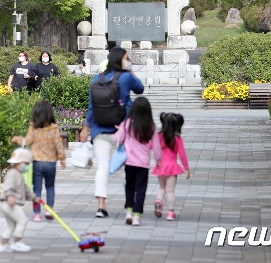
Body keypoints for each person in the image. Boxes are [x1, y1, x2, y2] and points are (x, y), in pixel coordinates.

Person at [79, 47, 144, 218]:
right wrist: (130, 70)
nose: (128, 59)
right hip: (125, 128)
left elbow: (91, 107)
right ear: (121, 60)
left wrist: (86, 128)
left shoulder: (96, 78)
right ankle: (131, 206)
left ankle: (101, 206)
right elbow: (140, 89)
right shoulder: (126, 77)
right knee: (131, 167)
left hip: (100, 128)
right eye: (127, 57)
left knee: (102, 166)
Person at [11, 101, 66, 222]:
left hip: (37, 162)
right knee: (50, 186)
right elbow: (58, 144)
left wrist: (17, 139)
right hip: (51, 162)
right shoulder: (54, 128)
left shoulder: (34, 127)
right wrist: (62, 158)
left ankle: (37, 214)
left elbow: (27, 141)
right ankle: (49, 210)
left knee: (37, 189)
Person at [113, 97, 162, 226]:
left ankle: (128, 211)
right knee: (141, 189)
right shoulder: (151, 126)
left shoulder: (127, 123)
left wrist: (119, 130)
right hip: (143, 164)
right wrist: (158, 160)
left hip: (129, 162)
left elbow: (117, 138)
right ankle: (136, 216)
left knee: (129, 186)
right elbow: (156, 145)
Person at [0, 148, 43, 253]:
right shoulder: (12, 173)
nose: (27, 166)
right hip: (10, 204)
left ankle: (3, 245)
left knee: (11, 225)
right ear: (19, 163)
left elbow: (26, 190)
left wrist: (34, 198)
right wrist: (10, 196)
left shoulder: (18, 175)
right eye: (26, 163)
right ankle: (16, 243)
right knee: (22, 221)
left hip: (7, 204)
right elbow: (7, 186)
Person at [153, 112, 190, 221]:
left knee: (162, 188)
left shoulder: (159, 136)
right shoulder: (177, 139)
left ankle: (159, 200)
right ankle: (170, 212)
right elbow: (182, 154)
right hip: (172, 167)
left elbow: (152, 146)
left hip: (160, 166)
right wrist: (186, 168)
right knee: (170, 191)